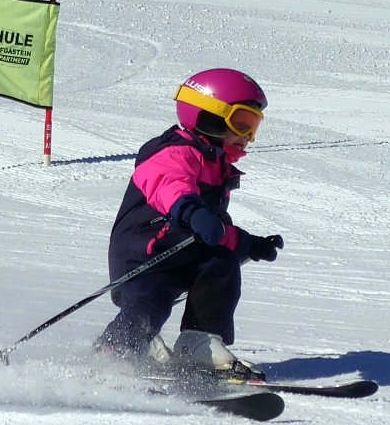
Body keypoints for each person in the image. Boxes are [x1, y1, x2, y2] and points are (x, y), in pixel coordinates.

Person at [96, 68, 283, 380]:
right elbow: (169, 187)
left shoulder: (217, 167)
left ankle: (199, 343)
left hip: (183, 252)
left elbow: (215, 231)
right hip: (146, 254)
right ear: (208, 116)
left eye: (253, 126)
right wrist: (193, 212)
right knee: (148, 305)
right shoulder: (171, 151)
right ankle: (112, 354)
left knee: (221, 262)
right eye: (241, 123)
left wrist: (250, 244)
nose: (247, 137)